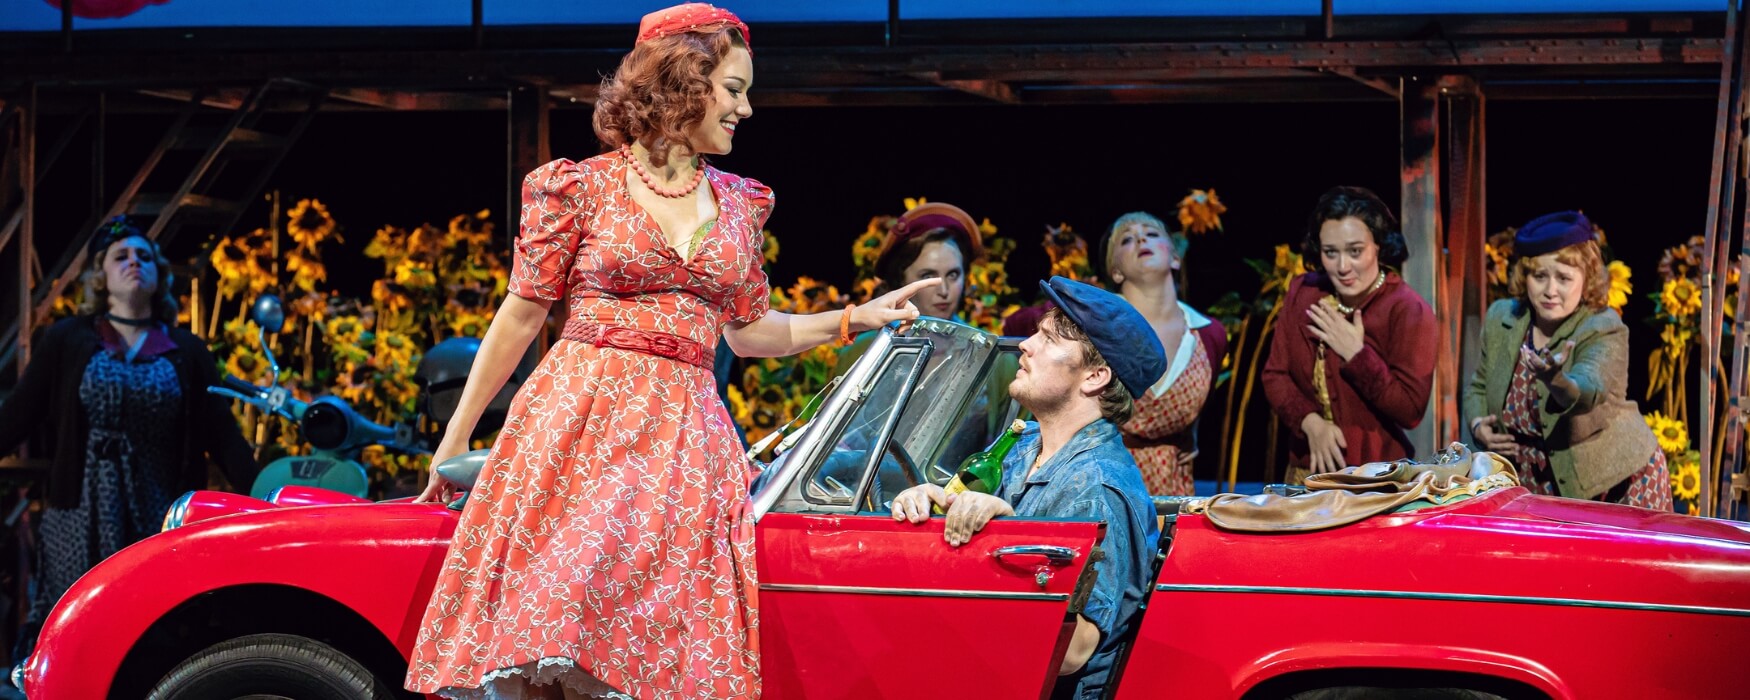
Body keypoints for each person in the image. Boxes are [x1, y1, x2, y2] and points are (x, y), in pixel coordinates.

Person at [404, 5, 940, 699]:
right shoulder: (579, 187)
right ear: (683, 82)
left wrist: (852, 318)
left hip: (681, 438)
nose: (746, 109)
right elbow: (521, 315)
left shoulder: (740, 204)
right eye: (734, 88)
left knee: (646, 640)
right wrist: (456, 435)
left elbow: (750, 333)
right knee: (559, 624)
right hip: (579, 423)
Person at [889, 277, 1164, 700]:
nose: (1026, 345)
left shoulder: (1098, 486)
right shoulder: (1023, 443)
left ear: (1095, 376)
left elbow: (1075, 651)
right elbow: (972, 527)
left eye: (1048, 339)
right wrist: (934, 503)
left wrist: (1010, 533)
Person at [0, 217, 257, 653]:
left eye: (144, 256)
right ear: (101, 276)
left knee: (155, 629)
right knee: (78, 629)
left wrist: (268, 497)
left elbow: (224, 436)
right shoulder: (68, 339)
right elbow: (18, 415)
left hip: (158, 510)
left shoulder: (187, 350)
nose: (134, 262)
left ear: (158, 275)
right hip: (79, 513)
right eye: (121, 256)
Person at [1465, 211, 1671, 509]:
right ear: (1525, 277)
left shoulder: (1602, 325)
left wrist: (1557, 380)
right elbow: (1479, 386)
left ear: (1586, 278)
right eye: (1540, 277)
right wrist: (1477, 426)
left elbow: (1589, 389)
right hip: (1530, 487)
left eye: (1564, 278)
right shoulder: (1503, 317)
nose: (1550, 291)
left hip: (1614, 483)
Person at [1262, 186, 1436, 484]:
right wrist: (1310, 422)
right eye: (1331, 253)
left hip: (1377, 480)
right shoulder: (1304, 293)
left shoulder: (1406, 309)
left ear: (1378, 246)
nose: (1343, 267)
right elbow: (1274, 375)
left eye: (1355, 251)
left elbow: (1409, 410)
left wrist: (1357, 355)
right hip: (1306, 473)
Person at [1098, 212, 1227, 495]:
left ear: (1175, 258)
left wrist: (1190, 430)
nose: (1141, 238)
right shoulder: (1096, 326)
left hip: (1173, 485)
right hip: (1105, 482)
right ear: (1116, 271)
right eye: (1127, 239)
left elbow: (1198, 398)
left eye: (1152, 234)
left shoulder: (1208, 334)